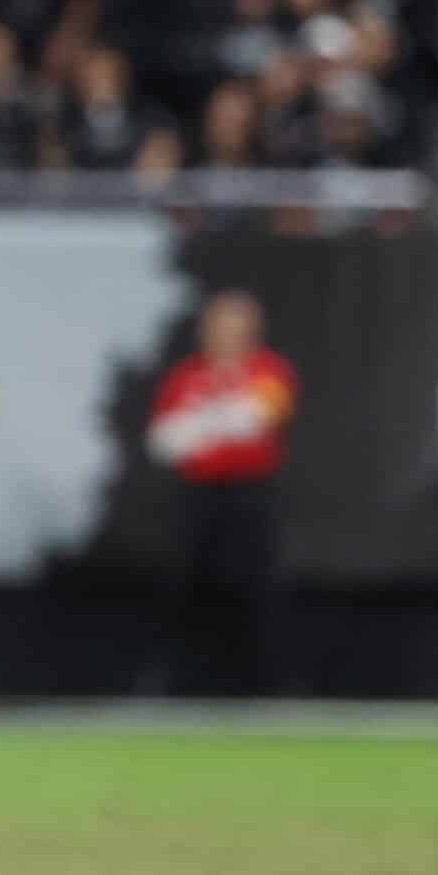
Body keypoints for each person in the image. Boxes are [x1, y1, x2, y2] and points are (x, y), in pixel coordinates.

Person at [145, 290, 296, 697]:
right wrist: (219, 418)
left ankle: (267, 687)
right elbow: (163, 441)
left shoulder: (270, 370)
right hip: (197, 495)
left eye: (237, 326)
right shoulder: (184, 377)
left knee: (257, 589)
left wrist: (199, 423)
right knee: (183, 586)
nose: (227, 334)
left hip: (249, 493)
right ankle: (177, 684)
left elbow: (257, 420)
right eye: (220, 326)